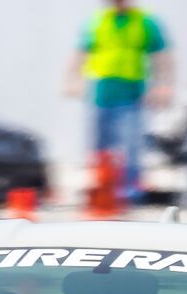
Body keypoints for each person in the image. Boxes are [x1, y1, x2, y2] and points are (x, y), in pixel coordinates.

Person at [64, 0, 172, 206]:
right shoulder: (97, 21)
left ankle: (130, 194)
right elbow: (80, 53)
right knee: (99, 147)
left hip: (132, 92)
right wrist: (71, 80)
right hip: (100, 92)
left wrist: (163, 86)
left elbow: (161, 57)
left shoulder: (145, 22)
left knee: (131, 146)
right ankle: (101, 191)